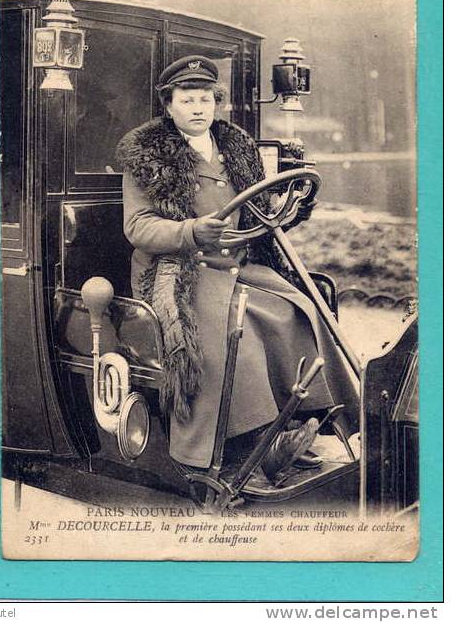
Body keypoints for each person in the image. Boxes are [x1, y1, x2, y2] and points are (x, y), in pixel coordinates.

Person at [115, 55, 359, 485]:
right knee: (233, 332)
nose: (197, 107)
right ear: (168, 105)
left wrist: (294, 205)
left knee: (298, 310)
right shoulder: (147, 155)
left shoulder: (237, 147)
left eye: (205, 98)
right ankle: (240, 449)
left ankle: (300, 424)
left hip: (237, 262)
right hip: (179, 270)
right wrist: (191, 231)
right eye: (187, 100)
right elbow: (138, 227)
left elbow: (262, 212)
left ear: (217, 102)